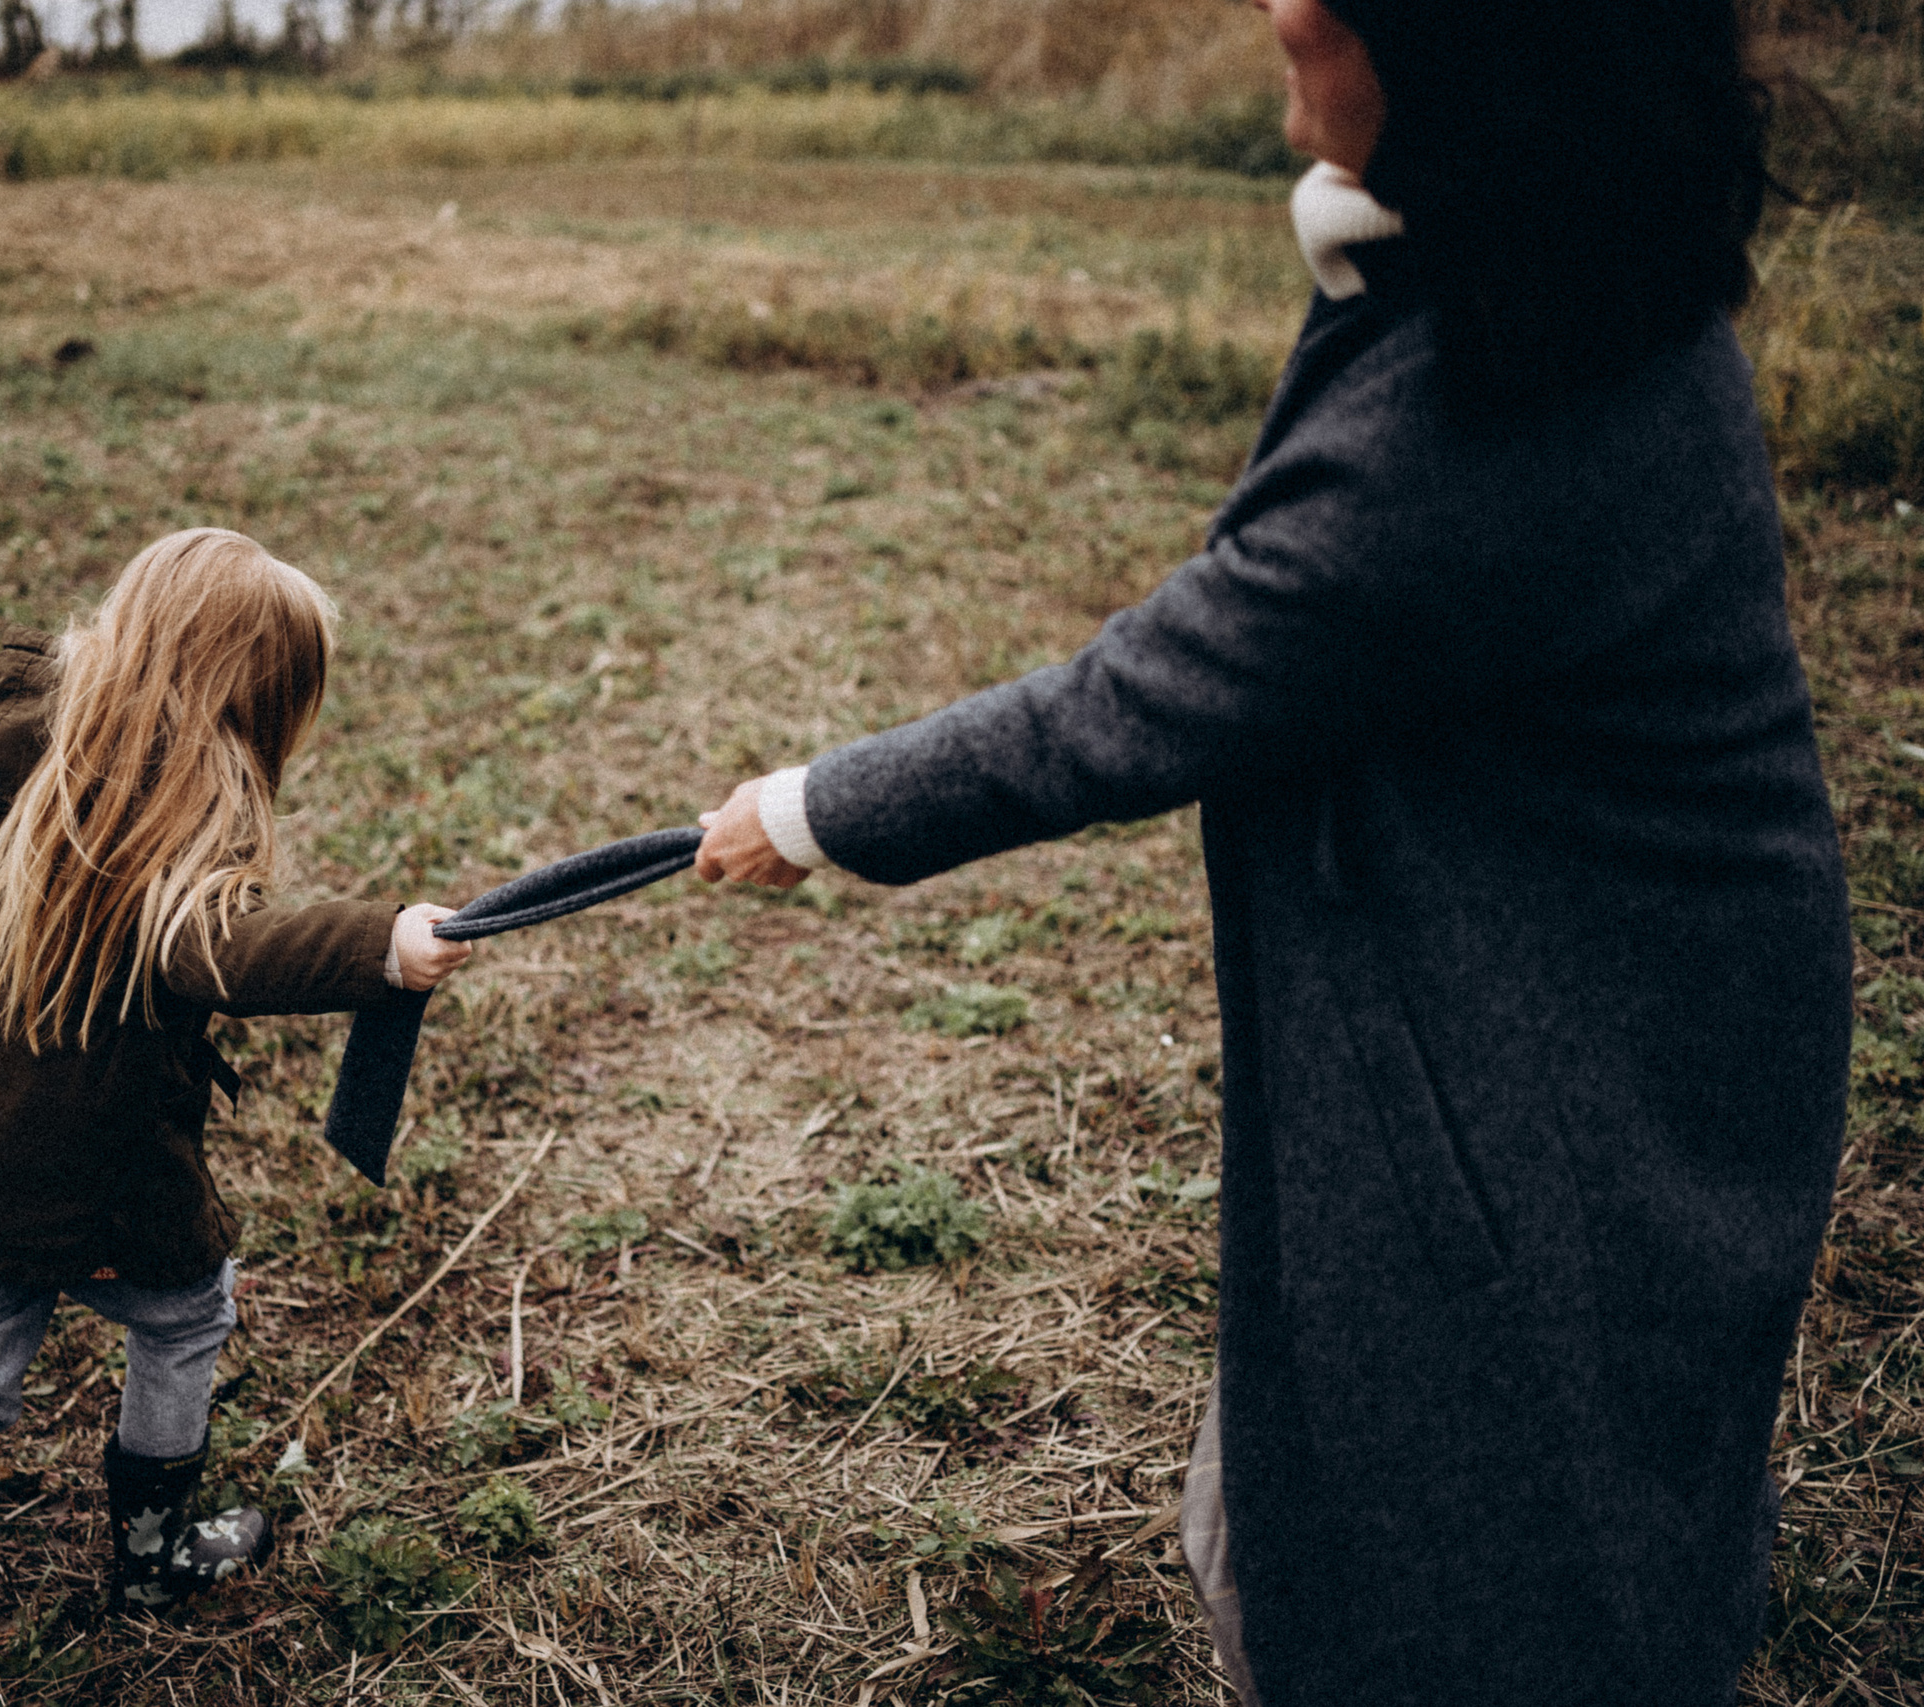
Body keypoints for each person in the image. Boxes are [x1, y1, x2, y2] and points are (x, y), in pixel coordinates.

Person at [694, 3, 1848, 1704]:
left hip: (1573, 1102)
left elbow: (1151, 689)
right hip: (1586, 1037)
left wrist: (807, 807)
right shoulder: (1567, 283)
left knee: (1475, 1574)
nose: (1279, 6)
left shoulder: (1491, 412)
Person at [0, 528, 474, 1707]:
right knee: (185, 1314)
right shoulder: (162, 830)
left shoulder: (41, 747)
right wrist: (383, 947)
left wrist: (123, 656)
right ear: (252, 702)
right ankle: (152, 1563)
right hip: (86, 1161)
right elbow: (221, 952)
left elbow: (38, 678)